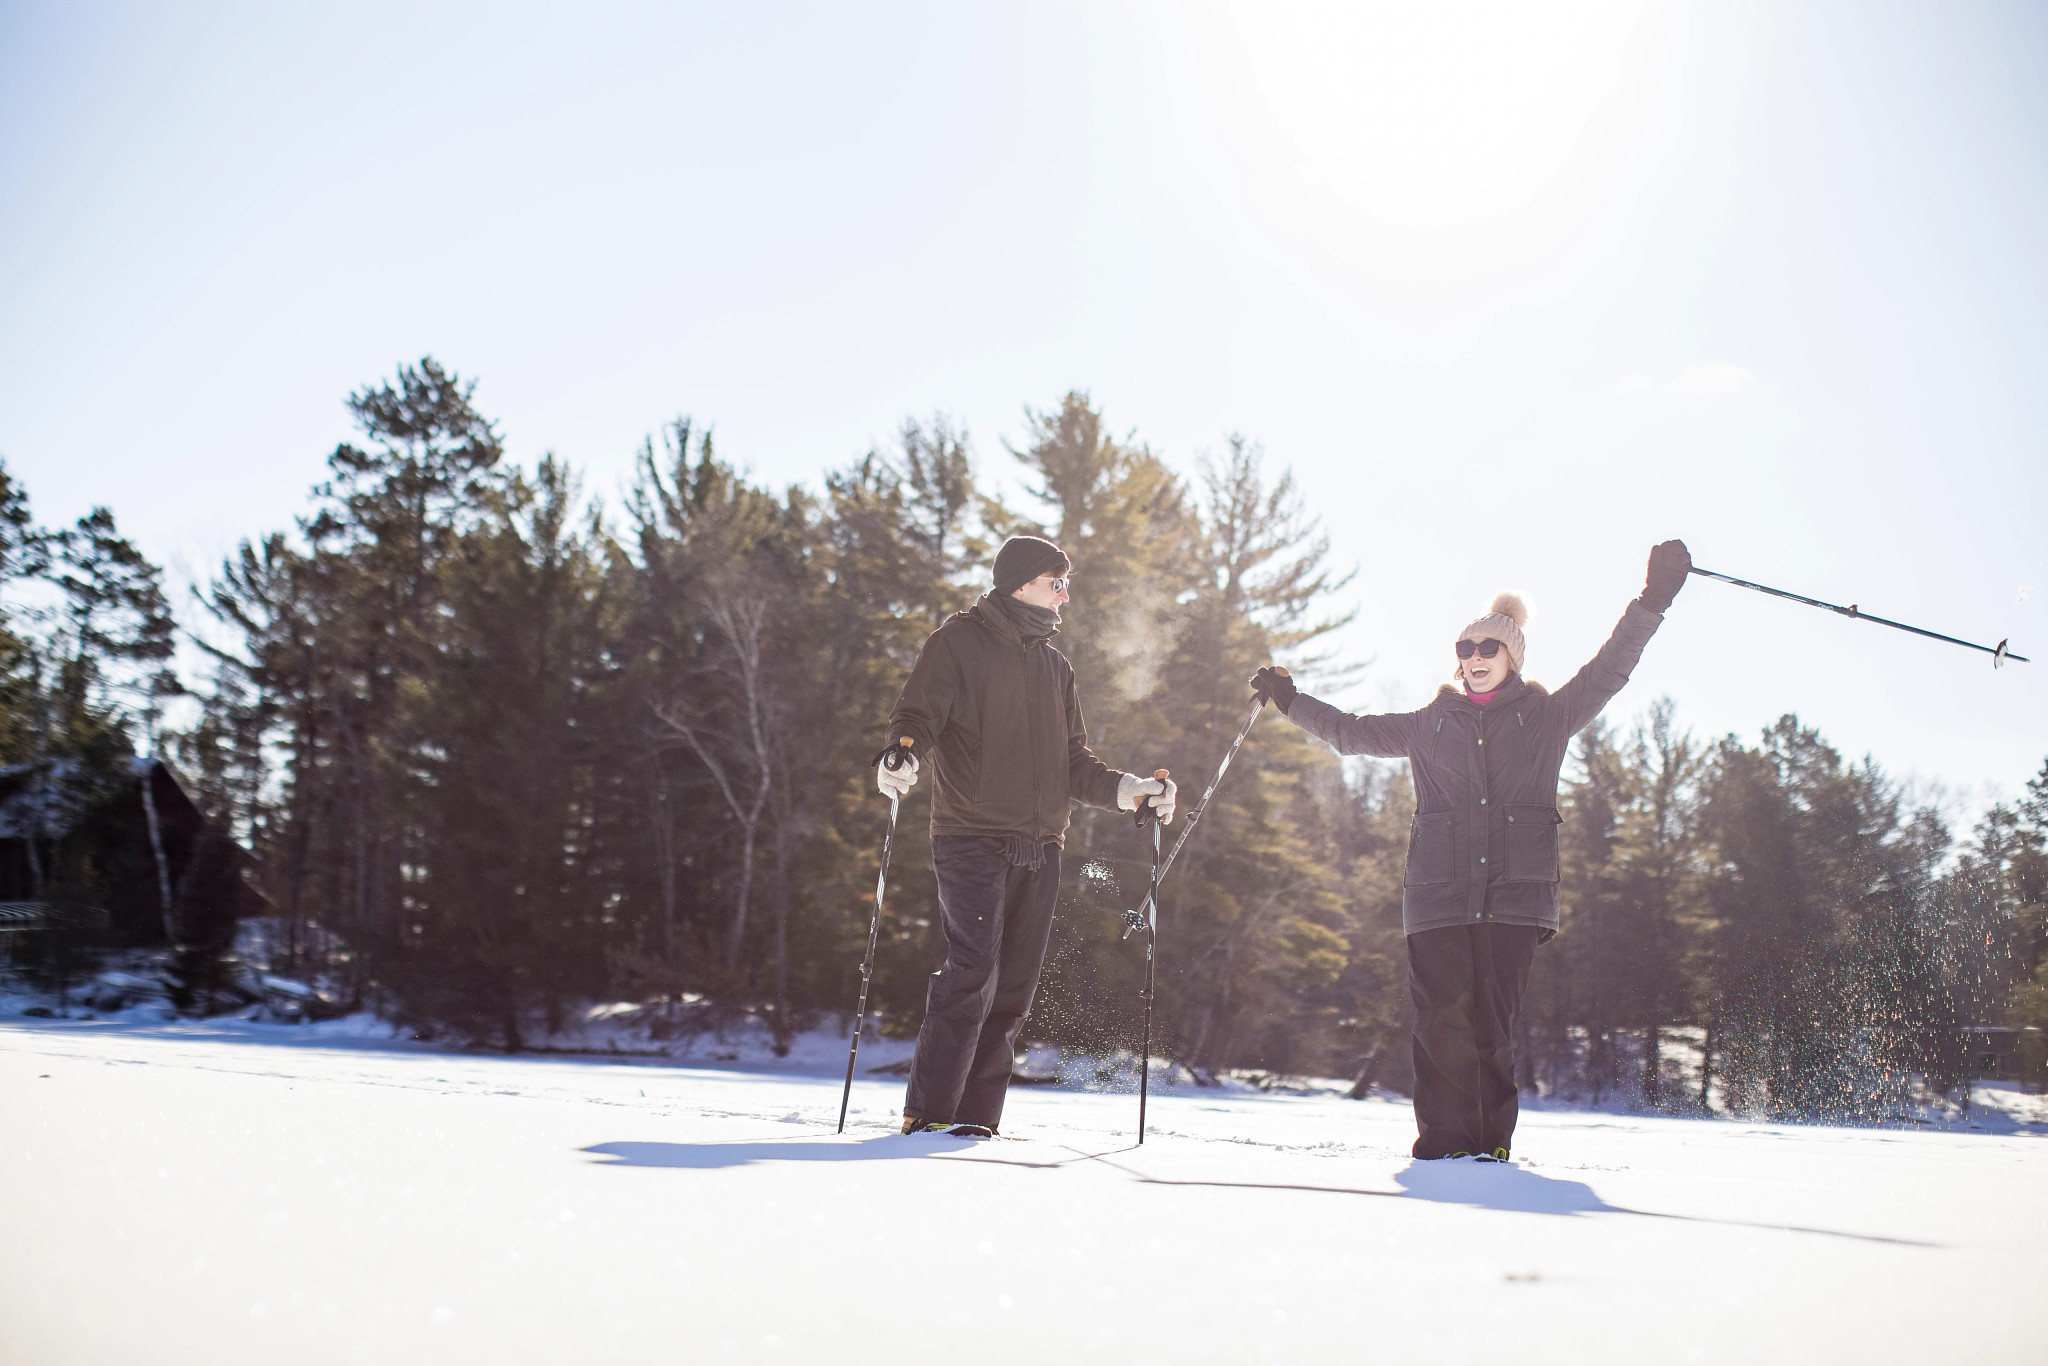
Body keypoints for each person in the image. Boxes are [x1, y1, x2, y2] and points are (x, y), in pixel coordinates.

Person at [1250, 541, 1691, 1161]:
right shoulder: (1429, 723)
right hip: (1437, 896)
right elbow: (1351, 733)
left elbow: (1610, 668)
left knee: (1491, 1028)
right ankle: (1442, 1149)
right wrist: (1292, 701)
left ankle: (1489, 1153)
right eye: (1466, 648)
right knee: (1440, 1025)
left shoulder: (1548, 716)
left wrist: (1654, 599)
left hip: (1514, 897)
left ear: (1512, 657)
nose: (1476, 657)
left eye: (1489, 648)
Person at [880, 535, 1177, 1138]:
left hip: (1041, 844)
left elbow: (1075, 761)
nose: (1065, 593)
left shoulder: (1054, 665)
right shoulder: (957, 642)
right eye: (1055, 582)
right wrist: (902, 755)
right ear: (1020, 585)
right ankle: (928, 1112)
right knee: (973, 969)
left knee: (1013, 985)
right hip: (971, 835)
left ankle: (974, 1119)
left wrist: (1131, 789)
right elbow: (916, 716)